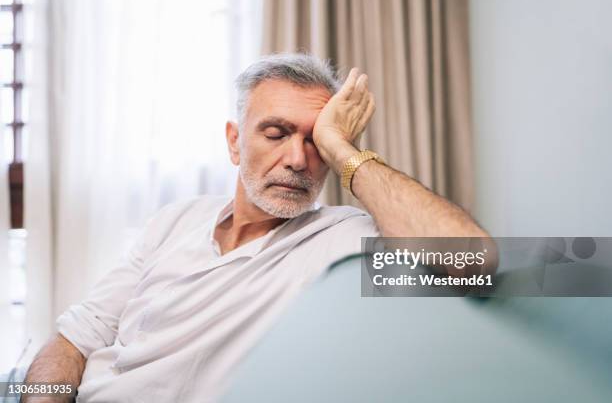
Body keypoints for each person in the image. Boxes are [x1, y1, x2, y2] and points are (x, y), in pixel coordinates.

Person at [22, 53, 489, 402]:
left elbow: (474, 260)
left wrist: (344, 150)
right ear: (234, 142)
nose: (297, 160)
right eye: (276, 133)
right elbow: (74, 339)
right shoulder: (176, 220)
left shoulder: (344, 239)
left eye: (315, 143)